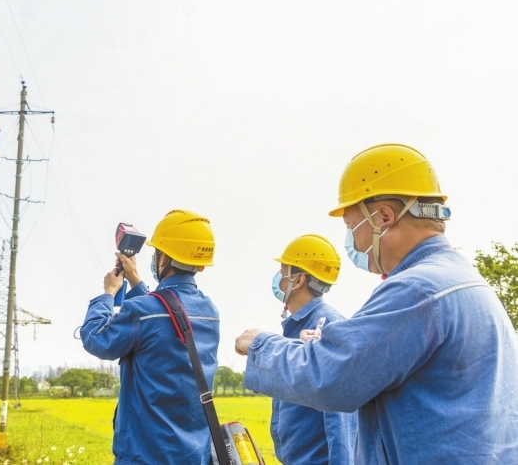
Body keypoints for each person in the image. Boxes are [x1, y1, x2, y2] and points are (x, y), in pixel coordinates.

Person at [235, 143, 518, 464]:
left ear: (384, 216)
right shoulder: (463, 279)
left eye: (350, 226)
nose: (352, 243)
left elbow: (331, 378)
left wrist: (260, 344)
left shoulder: (416, 289)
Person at [81, 209, 220, 465]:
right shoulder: (210, 312)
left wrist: (108, 295)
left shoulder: (142, 311)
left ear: (163, 257)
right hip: (194, 454)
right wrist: (135, 282)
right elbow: (164, 317)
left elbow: (95, 338)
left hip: (145, 454)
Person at [269, 234, 356, 464]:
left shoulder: (327, 326)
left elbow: (340, 418)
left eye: (283, 270)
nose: (279, 277)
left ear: (298, 280)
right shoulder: (298, 328)